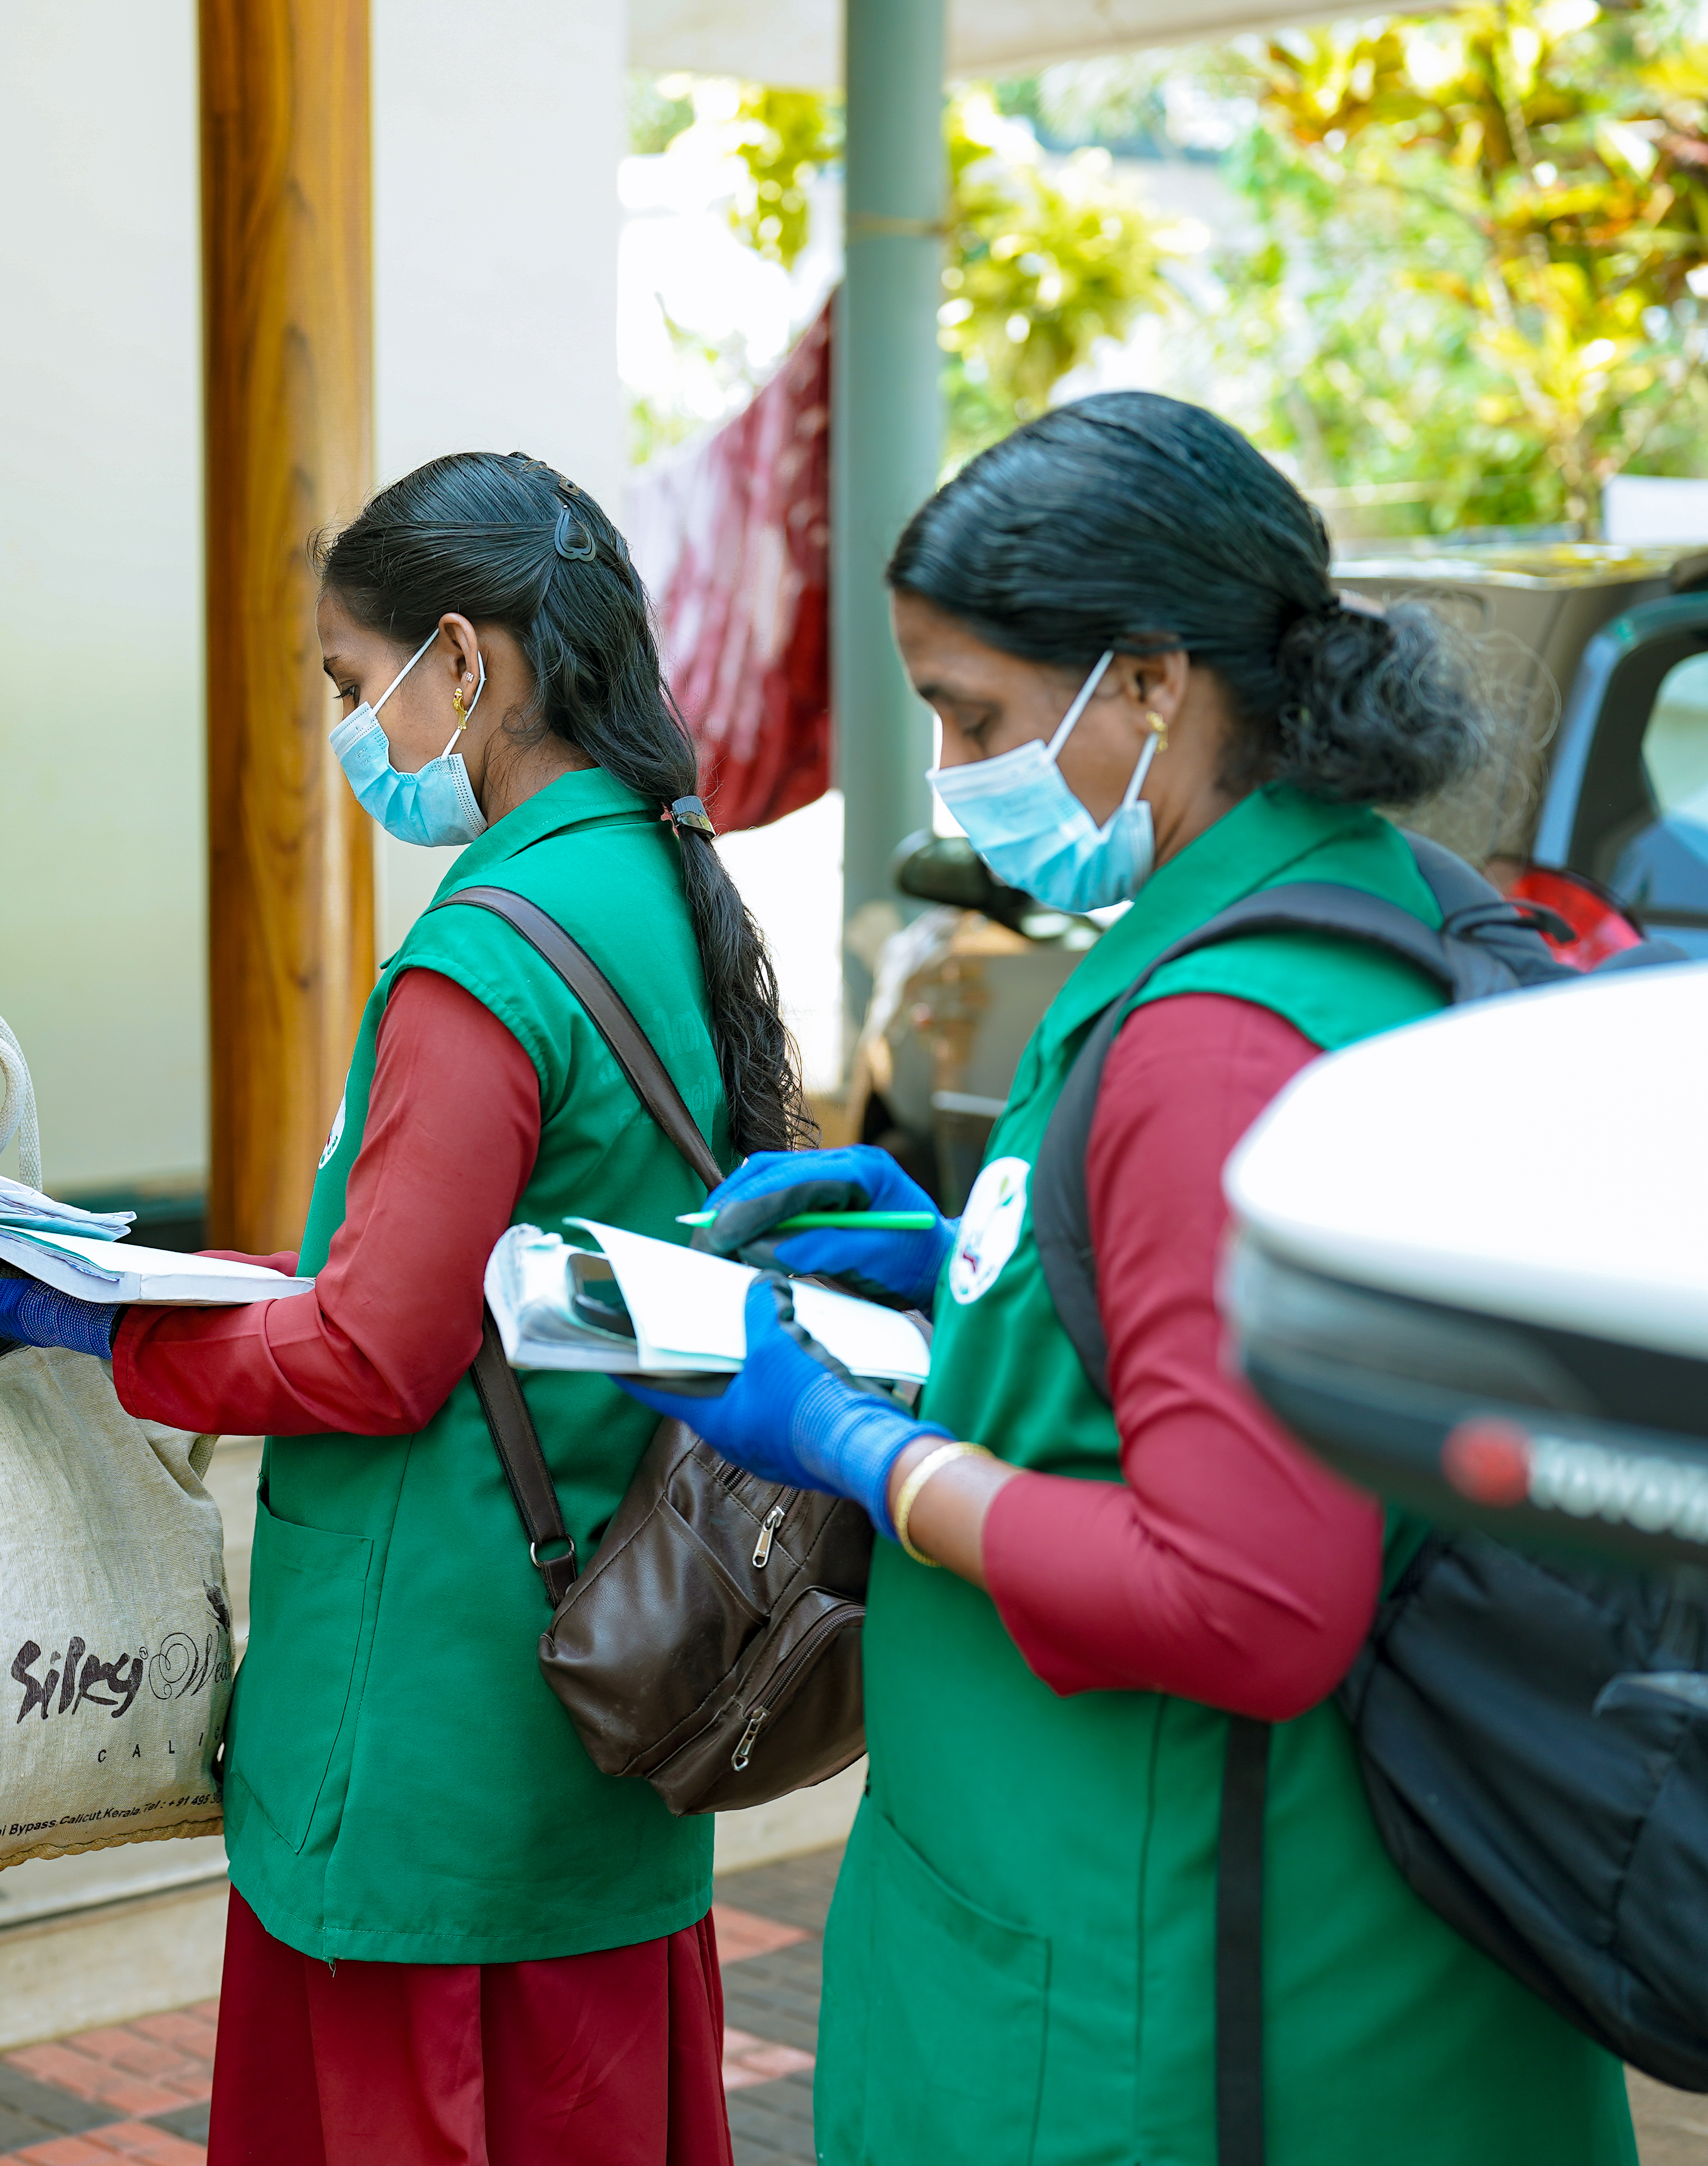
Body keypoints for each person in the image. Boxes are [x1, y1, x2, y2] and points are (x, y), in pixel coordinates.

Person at [636, 393, 1637, 2164]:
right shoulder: (1371, 907)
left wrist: (860, 1447)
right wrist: (972, 1278)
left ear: (1153, 682)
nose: (949, 772)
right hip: (1295, 1949)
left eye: (976, 715)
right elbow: (1222, 1376)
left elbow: (1249, 1596)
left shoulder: (1213, 1042)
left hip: (1165, 1996)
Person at [0, 452, 809, 2165]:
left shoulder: (485, 953)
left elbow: (376, 1353)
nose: (350, 731)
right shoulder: (654, 882)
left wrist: (102, 1331)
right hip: (602, 1671)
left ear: (462, 661)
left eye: (349, 683)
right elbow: (457, 1280)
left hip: (440, 1712)